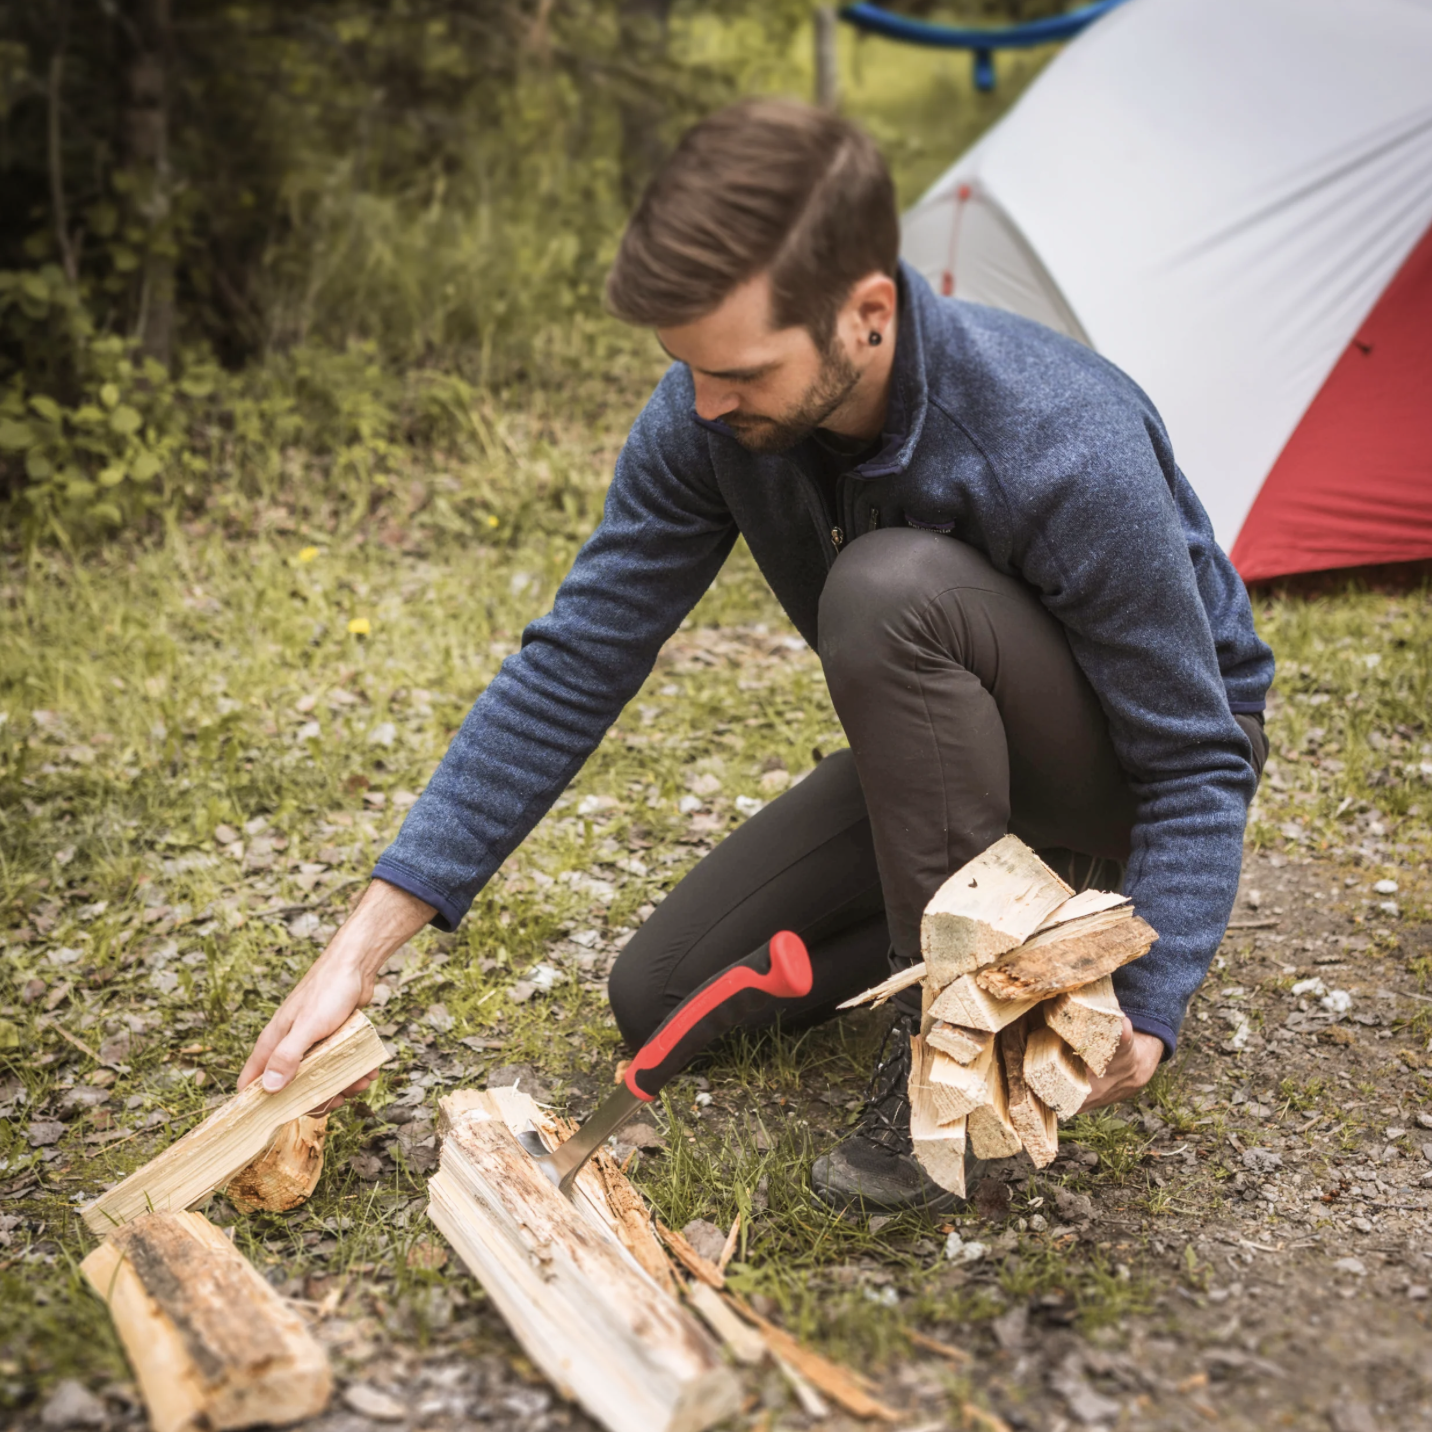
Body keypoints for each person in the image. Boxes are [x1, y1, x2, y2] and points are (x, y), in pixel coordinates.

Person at [239, 99, 1272, 1212]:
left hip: (1117, 766)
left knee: (885, 590)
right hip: (959, 755)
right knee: (665, 994)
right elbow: (576, 657)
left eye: (738, 371)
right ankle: (1004, 917)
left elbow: (1198, 758)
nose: (702, 401)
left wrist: (1155, 998)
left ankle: (959, 1057)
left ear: (866, 311)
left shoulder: (1056, 435)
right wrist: (362, 943)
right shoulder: (708, 416)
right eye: (684, 366)